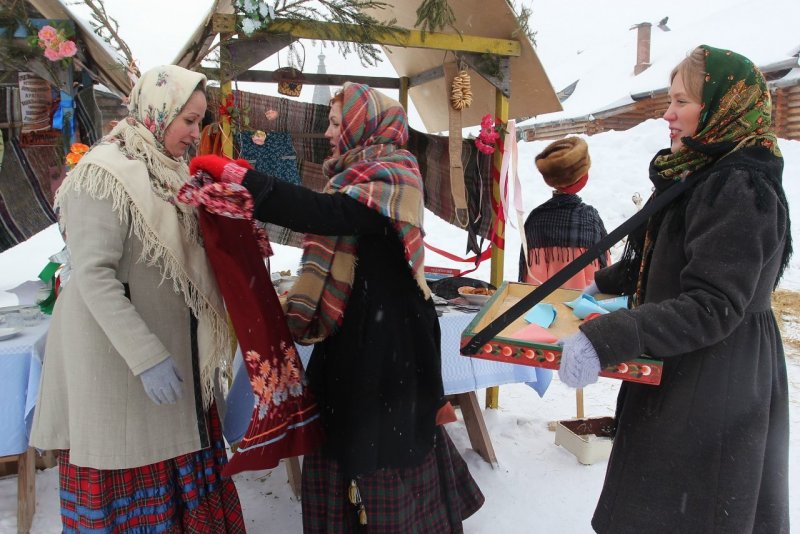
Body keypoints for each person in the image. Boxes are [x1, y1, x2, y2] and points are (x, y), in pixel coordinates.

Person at [190, 82, 484, 532]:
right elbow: (326, 212)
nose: (328, 134)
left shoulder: (394, 175)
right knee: (351, 442)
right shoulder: (354, 178)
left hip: (391, 348)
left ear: (363, 125)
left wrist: (243, 179)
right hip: (357, 339)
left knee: (382, 449)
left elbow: (325, 214)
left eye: (334, 123)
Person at [558, 45, 791, 533]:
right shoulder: (707, 170)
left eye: (681, 101)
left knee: (690, 511)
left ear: (724, 107)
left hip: (717, 377)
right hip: (690, 359)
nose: (667, 113)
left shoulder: (739, 186)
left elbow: (713, 304)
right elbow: (674, 255)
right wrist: (602, 284)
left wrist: (611, 336)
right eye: (670, 100)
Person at [30, 65, 245, 532]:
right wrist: (147, 358)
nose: (196, 134)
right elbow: (94, 275)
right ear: (158, 110)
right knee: (131, 470)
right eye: (188, 120)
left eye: (200, 121)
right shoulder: (103, 173)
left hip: (177, 364)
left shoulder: (168, 170)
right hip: (121, 367)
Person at [518, 136, 609, 289]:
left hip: (543, 303)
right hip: (583, 303)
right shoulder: (591, 219)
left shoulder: (535, 219)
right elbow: (602, 273)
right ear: (582, 177)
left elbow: (530, 279)